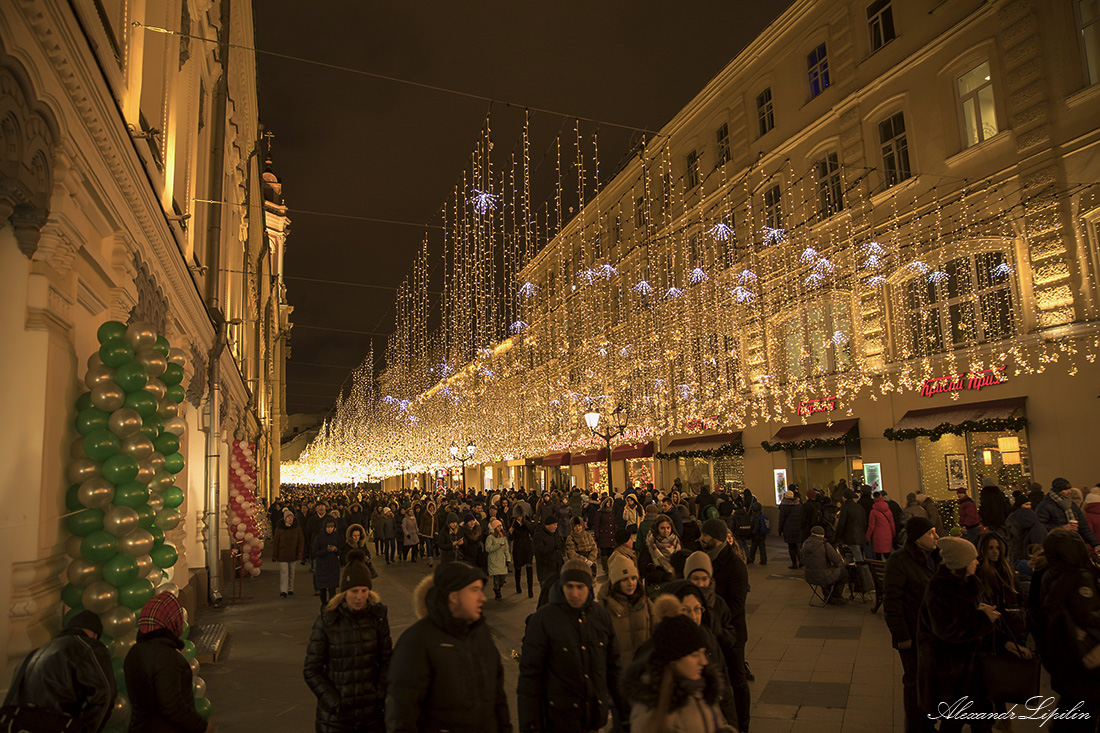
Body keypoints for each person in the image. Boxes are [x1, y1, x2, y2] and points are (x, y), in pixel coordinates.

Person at [386, 562, 510, 733]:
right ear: (453, 596)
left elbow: (498, 696)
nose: (482, 597)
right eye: (474, 590)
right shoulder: (416, 642)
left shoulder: (480, 632)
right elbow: (402, 715)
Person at [518, 561, 622, 733]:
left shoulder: (599, 616)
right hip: (558, 719)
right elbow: (530, 677)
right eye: (569, 586)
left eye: (580, 587)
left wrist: (623, 713)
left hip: (593, 717)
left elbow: (613, 667)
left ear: (589, 587)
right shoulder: (543, 620)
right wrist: (529, 725)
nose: (574, 593)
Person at [304, 551, 391, 733]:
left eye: (364, 591)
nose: (359, 597)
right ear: (344, 592)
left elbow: (387, 661)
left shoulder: (378, 618)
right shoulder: (327, 621)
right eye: (354, 591)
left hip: (371, 715)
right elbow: (312, 670)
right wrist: (335, 703)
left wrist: (379, 695)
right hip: (337, 719)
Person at [917, 537, 998, 731]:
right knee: (953, 723)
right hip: (950, 671)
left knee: (980, 722)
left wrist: (980, 612)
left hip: (969, 668)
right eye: (973, 559)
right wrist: (983, 619)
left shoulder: (967, 582)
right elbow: (948, 629)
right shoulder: (939, 589)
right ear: (960, 563)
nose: (977, 562)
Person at [2, 610, 115, 732]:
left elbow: (11, 701)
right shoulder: (89, 647)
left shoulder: (34, 653)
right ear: (95, 635)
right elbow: (104, 696)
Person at [622, 614, 730, 733]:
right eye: (695, 655)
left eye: (703, 653)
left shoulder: (703, 689)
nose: (704, 661)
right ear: (673, 660)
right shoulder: (650, 707)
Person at [1037, 529, 1100, 726]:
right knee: (1083, 708)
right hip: (1084, 653)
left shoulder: (1050, 575)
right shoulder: (1080, 576)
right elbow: (1087, 615)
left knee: (1074, 706)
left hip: (1063, 654)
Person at [883, 517, 939, 733]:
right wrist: (901, 635)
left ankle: (927, 721)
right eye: (931, 533)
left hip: (932, 633)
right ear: (917, 538)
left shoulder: (934, 557)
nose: (936, 536)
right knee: (915, 680)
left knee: (929, 680)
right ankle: (917, 725)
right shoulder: (900, 561)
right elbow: (892, 600)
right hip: (912, 633)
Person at [125, 593, 212, 732]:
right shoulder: (166, 657)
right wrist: (202, 726)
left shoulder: (134, 652)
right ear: (170, 621)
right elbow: (172, 706)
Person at [683, 552, 749, 732]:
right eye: (695, 578)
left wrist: (719, 634)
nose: (700, 583)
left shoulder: (718, 603)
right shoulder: (680, 603)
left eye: (704, 578)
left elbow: (730, 633)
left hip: (718, 668)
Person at [699, 517, 752, 684]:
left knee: (737, 680)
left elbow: (736, 604)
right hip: (714, 631)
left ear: (716, 538)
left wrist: (715, 619)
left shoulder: (735, 565)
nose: (702, 539)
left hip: (732, 632)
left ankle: (742, 711)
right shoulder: (707, 559)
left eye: (705, 535)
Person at [598, 552, 656, 669]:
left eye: (633, 578)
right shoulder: (605, 606)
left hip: (644, 669)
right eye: (624, 579)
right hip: (619, 672)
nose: (631, 584)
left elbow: (656, 632)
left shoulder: (645, 601)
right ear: (616, 582)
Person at [1036, 477, 1099, 547]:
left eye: (1069, 489)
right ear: (1057, 491)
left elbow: (1084, 527)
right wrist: (1061, 528)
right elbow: (1040, 526)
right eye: (1065, 489)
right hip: (1056, 544)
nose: (1069, 492)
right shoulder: (1045, 506)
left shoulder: (1072, 505)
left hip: (1073, 542)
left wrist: (1096, 544)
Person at [801, 525, 849, 605]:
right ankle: (836, 597)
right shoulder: (824, 545)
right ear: (823, 535)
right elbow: (837, 560)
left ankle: (827, 596)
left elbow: (802, 561)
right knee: (844, 573)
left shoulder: (805, 544)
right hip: (822, 576)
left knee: (826, 573)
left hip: (809, 576)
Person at [272, 508, 305, 598]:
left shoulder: (296, 528)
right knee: (284, 572)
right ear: (284, 518)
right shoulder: (279, 529)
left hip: (293, 553)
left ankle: (290, 588)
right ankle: (283, 590)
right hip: (282, 554)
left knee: (292, 572)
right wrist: (275, 554)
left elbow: (301, 540)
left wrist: (300, 551)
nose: (290, 519)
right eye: (288, 517)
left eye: (291, 517)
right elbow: (276, 542)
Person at [312, 517, 343, 606]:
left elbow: (341, 551)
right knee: (322, 590)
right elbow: (315, 552)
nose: (330, 529)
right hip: (322, 566)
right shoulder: (319, 538)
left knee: (332, 590)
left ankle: (331, 607)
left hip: (333, 566)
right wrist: (326, 550)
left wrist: (336, 549)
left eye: (331, 527)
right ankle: (324, 605)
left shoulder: (337, 537)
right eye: (328, 527)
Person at [835, 489, 869, 562]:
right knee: (858, 554)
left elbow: (841, 523)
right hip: (860, 534)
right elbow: (864, 521)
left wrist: (837, 536)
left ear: (844, 497)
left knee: (855, 556)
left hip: (850, 535)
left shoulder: (845, 507)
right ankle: (857, 570)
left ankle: (861, 571)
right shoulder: (859, 506)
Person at [510, 504, 535, 597]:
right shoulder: (513, 523)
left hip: (527, 546)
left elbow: (532, 532)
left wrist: (526, 524)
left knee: (529, 568)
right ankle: (518, 585)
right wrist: (511, 531)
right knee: (518, 568)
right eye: (518, 516)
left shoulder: (527, 521)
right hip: (518, 547)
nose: (519, 518)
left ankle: (530, 590)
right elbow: (511, 538)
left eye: (521, 516)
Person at [485, 518, 512, 600]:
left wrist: (508, 559)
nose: (500, 528)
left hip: (502, 559)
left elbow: (506, 548)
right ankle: (497, 591)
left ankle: (498, 588)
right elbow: (488, 549)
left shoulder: (503, 537)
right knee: (496, 578)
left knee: (503, 577)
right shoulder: (490, 537)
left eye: (501, 526)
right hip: (494, 560)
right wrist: (498, 545)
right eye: (498, 526)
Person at [533, 515, 564, 587]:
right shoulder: (538, 535)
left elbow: (558, 550)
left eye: (556, 525)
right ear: (547, 525)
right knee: (547, 595)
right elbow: (540, 551)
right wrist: (553, 546)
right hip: (545, 572)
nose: (555, 527)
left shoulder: (555, 534)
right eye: (554, 525)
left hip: (557, 571)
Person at [778, 490, 804, 568]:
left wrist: (780, 530)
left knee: (791, 547)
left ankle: (794, 563)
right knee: (796, 545)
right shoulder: (798, 505)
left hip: (788, 528)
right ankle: (801, 561)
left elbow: (781, 519)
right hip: (797, 527)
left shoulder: (784, 506)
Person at [866, 491, 896, 559]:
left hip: (877, 536)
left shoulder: (873, 512)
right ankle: (889, 568)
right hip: (888, 535)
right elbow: (892, 524)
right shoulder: (888, 510)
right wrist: (893, 534)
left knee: (878, 557)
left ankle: (879, 569)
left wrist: (867, 537)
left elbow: (871, 526)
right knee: (888, 556)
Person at [747, 500, 768, 565]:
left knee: (753, 548)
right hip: (762, 534)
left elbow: (756, 526)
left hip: (756, 535)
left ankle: (751, 559)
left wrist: (752, 533)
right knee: (762, 549)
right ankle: (763, 560)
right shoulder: (761, 515)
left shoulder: (754, 516)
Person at [418, 501, 439, 566]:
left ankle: (429, 557)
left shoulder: (435, 515)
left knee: (431, 546)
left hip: (432, 533)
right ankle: (430, 559)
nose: (431, 509)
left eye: (432, 507)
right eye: (430, 507)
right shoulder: (424, 515)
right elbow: (422, 524)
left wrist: (436, 532)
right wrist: (420, 532)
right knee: (428, 545)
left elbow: (436, 524)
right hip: (426, 533)